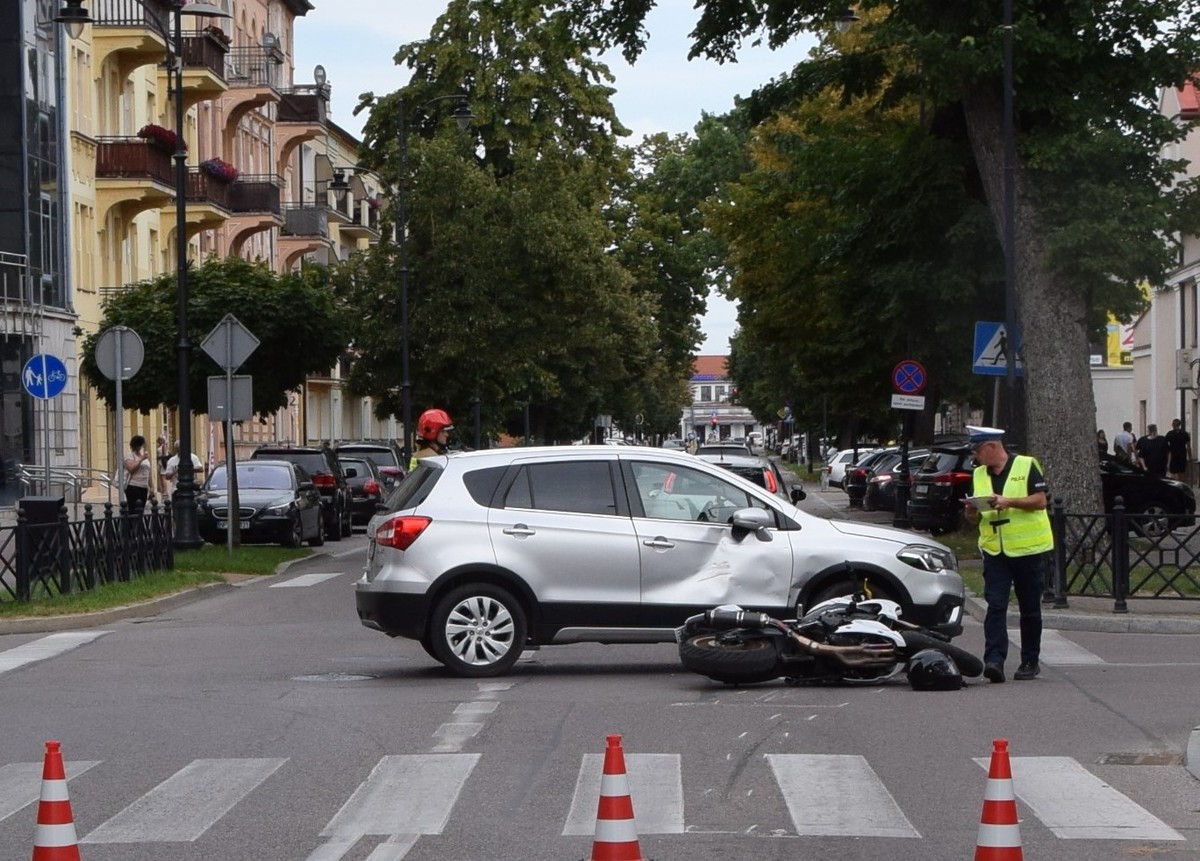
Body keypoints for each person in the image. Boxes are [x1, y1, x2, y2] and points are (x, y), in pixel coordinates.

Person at [962, 425, 1052, 683]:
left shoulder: (1026, 465)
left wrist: (1008, 501)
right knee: (996, 605)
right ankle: (994, 660)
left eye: (977, 451)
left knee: (1030, 607)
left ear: (991, 447)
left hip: (1028, 549)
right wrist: (971, 511)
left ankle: (1029, 660)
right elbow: (974, 516)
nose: (975, 458)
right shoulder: (979, 474)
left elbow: (1040, 501)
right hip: (994, 549)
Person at [122, 434, 154, 513]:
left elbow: (149, 472)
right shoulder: (129, 455)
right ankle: (133, 525)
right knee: (134, 510)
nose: (140, 447)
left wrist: (151, 487)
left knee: (141, 509)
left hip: (144, 486)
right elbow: (131, 468)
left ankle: (138, 524)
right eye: (139, 445)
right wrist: (141, 459)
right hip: (133, 485)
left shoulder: (144, 456)